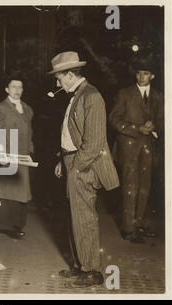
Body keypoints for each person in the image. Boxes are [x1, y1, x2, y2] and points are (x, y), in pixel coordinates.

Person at [50, 51, 119, 288]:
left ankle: (92, 271)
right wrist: (63, 160)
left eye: (59, 78)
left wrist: (76, 167)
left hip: (84, 166)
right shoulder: (77, 95)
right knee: (74, 217)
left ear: (70, 74)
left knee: (85, 217)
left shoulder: (92, 96)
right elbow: (72, 135)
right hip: (72, 161)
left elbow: (94, 142)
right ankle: (80, 267)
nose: (57, 83)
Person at [109, 59, 164, 243]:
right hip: (129, 147)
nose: (142, 76)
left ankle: (138, 224)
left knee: (145, 187)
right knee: (130, 187)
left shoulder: (159, 96)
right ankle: (128, 228)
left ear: (153, 76)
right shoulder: (125, 94)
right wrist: (136, 128)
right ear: (136, 74)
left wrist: (155, 125)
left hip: (148, 147)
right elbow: (114, 119)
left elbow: (164, 120)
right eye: (139, 73)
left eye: (146, 73)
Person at [0, 75, 34, 239]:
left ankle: (16, 225)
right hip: (6, 156)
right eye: (13, 87)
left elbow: (29, 132)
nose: (17, 90)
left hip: (23, 157)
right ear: (6, 89)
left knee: (21, 191)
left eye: (20, 87)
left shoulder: (27, 109)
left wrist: (30, 150)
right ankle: (4, 226)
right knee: (6, 190)